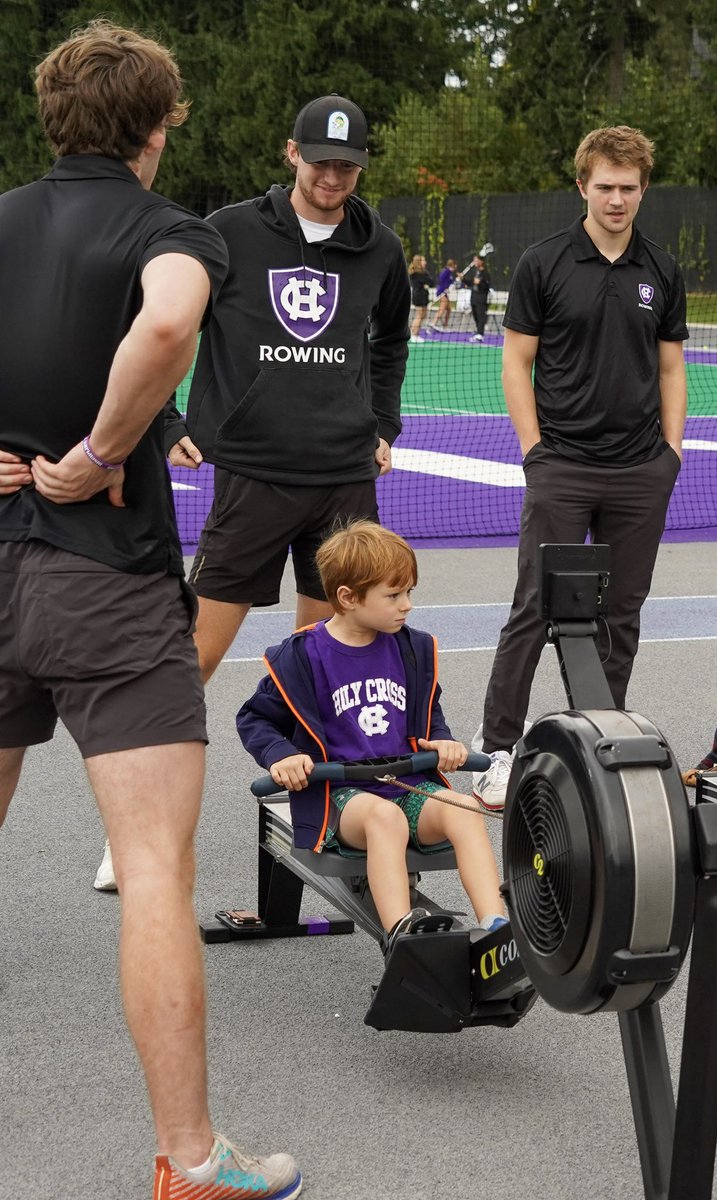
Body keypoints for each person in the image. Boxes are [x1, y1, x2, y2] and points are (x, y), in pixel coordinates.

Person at [0, 20, 301, 1198]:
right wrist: (100, 447)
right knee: (154, 874)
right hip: (102, 583)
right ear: (159, 125)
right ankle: (190, 1162)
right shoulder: (168, 231)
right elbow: (170, 320)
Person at [93, 92, 412, 891]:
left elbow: (391, 341)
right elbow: (145, 323)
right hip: (253, 477)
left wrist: (384, 423)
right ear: (290, 154)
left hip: (344, 483)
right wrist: (165, 421)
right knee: (190, 658)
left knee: (332, 664)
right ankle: (135, 833)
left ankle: (337, 822)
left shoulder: (379, 248)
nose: (333, 176)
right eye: (320, 161)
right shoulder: (227, 233)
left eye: (348, 164)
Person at [471, 124, 687, 809]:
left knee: (621, 613)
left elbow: (672, 366)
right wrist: (535, 451)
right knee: (536, 609)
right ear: (582, 187)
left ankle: (598, 743)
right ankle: (499, 748)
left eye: (628, 189)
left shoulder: (661, 270)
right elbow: (516, 362)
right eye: (604, 187)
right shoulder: (543, 262)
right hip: (561, 464)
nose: (616, 200)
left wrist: (670, 455)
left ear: (643, 190)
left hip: (639, 472)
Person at [236, 521, 507, 952]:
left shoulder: (409, 648)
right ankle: (403, 937)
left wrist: (440, 739)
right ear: (347, 597)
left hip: (408, 784)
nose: (407, 606)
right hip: (339, 797)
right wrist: (280, 755)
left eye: (409, 593)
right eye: (393, 595)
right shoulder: (301, 657)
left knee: (463, 806)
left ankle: (496, 928)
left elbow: (427, 708)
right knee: (386, 819)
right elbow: (254, 719)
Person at [459, 252, 491, 341]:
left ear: (481, 261)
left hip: (481, 298)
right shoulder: (475, 272)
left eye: (476, 260)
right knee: (476, 315)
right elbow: (470, 283)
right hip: (474, 297)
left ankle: (481, 334)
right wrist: (463, 279)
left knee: (481, 316)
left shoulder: (485, 273)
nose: (475, 262)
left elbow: (487, 286)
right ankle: (478, 332)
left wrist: (480, 283)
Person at [409, 253, 435, 342]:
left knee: (423, 315)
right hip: (419, 297)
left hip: (424, 296)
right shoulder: (415, 273)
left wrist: (426, 284)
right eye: (424, 260)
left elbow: (431, 282)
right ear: (419, 262)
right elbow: (423, 283)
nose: (425, 262)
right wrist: (425, 284)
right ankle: (413, 335)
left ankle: (415, 333)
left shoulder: (424, 272)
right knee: (419, 316)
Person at [434, 257, 458, 330]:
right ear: (452, 264)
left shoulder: (450, 273)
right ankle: (433, 323)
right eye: (455, 265)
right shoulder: (446, 271)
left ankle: (445, 325)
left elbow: (450, 282)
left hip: (445, 292)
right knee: (442, 308)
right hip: (442, 292)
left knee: (449, 309)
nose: (456, 266)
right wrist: (445, 288)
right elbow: (441, 279)